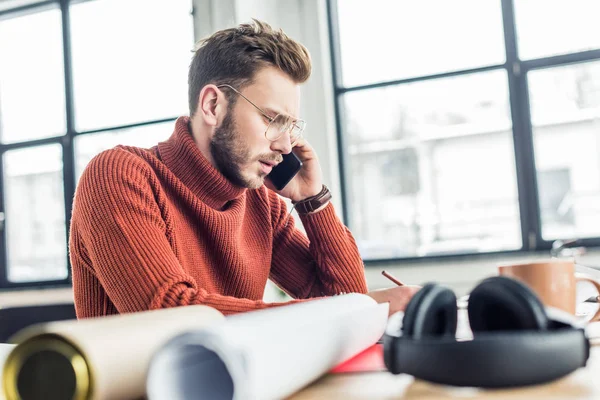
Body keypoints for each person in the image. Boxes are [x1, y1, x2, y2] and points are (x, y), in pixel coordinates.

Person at [69, 19, 418, 318]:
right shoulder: (118, 174)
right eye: (271, 118)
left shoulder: (261, 203)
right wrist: (355, 310)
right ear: (212, 105)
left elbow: (344, 299)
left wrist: (313, 200)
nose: (285, 145)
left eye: (291, 125)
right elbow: (168, 312)